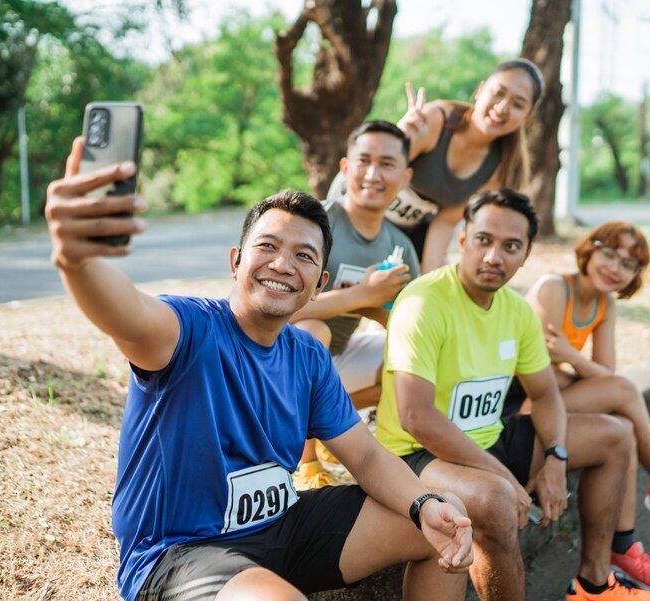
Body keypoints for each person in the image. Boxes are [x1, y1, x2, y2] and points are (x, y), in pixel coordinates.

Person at [44, 139, 474, 601]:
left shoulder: (307, 355)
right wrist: (78, 257)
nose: (283, 264)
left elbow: (366, 457)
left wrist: (424, 503)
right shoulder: (187, 329)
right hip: (180, 552)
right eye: (267, 246)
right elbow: (124, 310)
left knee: (441, 523)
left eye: (304, 256)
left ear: (318, 285)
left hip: (281, 527)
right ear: (236, 262)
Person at [375, 189, 650, 601]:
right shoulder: (424, 302)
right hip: (418, 454)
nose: (494, 256)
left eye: (511, 246)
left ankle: (594, 584)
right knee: (494, 501)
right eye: (484, 240)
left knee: (615, 435)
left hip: (488, 439)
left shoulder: (516, 310)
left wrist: (556, 457)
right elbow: (416, 417)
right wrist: (503, 477)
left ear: (526, 254)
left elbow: (546, 394)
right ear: (462, 239)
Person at [513, 220, 650, 596]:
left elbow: (606, 375)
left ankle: (623, 549)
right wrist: (577, 372)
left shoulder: (604, 304)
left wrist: (570, 357)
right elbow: (534, 374)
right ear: (589, 249)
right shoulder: (554, 288)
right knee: (621, 394)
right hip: (520, 405)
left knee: (622, 420)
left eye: (629, 264)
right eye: (609, 255)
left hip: (553, 398)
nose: (616, 269)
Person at [290, 120, 420, 489]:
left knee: (411, 358)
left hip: (340, 358)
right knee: (311, 334)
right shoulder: (314, 223)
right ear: (346, 168)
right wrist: (359, 295)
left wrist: (377, 308)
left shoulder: (401, 246)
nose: (373, 174)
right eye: (364, 161)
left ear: (405, 176)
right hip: (277, 363)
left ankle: (334, 429)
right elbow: (281, 310)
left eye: (387, 164)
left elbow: (409, 325)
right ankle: (307, 462)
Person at [393, 58, 543, 272]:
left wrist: (425, 280)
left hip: (413, 236)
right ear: (480, 90)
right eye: (498, 93)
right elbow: (377, 170)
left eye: (517, 104)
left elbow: (444, 223)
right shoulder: (435, 119)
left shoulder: (501, 168)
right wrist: (398, 136)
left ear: (528, 117)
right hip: (364, 209)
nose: (502, 108)